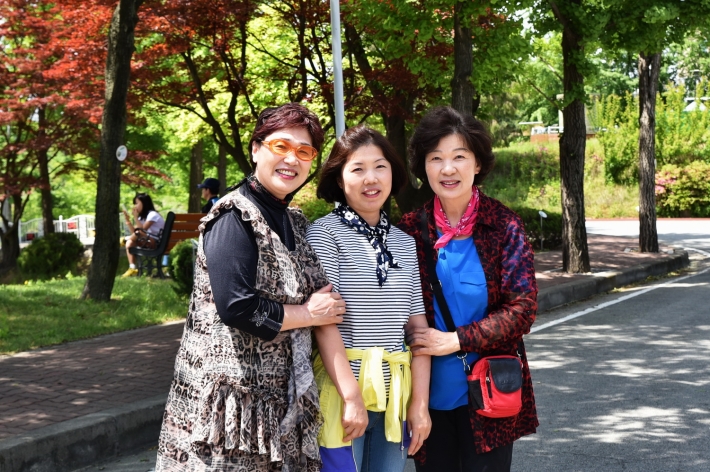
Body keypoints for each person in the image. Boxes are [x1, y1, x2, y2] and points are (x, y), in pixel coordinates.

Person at [155, 103, 345, 472]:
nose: (292, 159)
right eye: (281, 146)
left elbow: (321, 293)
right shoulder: (233, 216)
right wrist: (308, 314)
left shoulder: (294, 221)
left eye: (304, 151)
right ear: (256, 149)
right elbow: (237, 307)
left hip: (280, 401)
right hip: (232, 409)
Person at [397, 106, 538, 472]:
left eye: (459, 157)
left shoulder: (503, 226)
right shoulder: (409, 231)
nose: (448, 169)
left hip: (490, 393)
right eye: (436, 158)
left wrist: (455, 340)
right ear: (424, 167)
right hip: (426, 396)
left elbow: (522, 309)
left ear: (477, 164)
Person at [306, 125, 431, 472]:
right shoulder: (324, 234)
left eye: (380, 167)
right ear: (339, 179)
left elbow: (417, 330)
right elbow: (324, 323)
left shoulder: (404, 243)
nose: (370, 178)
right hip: (342, 395)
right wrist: (351, 397)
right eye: (358, 169)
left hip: (396, 397)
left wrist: (419, 404)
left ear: (393, 173)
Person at [121, 193, 165, 278]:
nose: (135, 206)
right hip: (146, 241)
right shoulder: (142, 217)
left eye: (137, 203)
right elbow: (134, 232)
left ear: (144, 203)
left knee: (137, 234)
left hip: (156, 243)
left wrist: (135, 217)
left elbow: (142, 230)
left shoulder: (153, 215)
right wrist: (128, 221)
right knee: (130, 243)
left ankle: (124, 239)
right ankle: (132, 268)